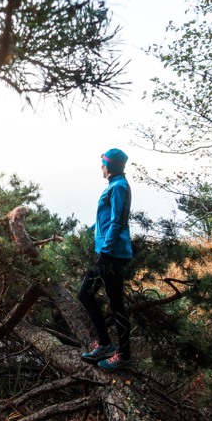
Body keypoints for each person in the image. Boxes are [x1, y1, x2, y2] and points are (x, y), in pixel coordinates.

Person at [78, 148, 133, 371]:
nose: (101, 167)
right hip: (109, 253)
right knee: (91, 295)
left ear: (107, 166)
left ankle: (121, 354)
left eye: (102, 164)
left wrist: (106, 252)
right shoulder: (114, 186)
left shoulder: (118, 187)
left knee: (112, 303)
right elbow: (105, 220)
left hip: (112, 255)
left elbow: (117, 222)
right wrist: (88, 233)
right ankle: (105, 344)